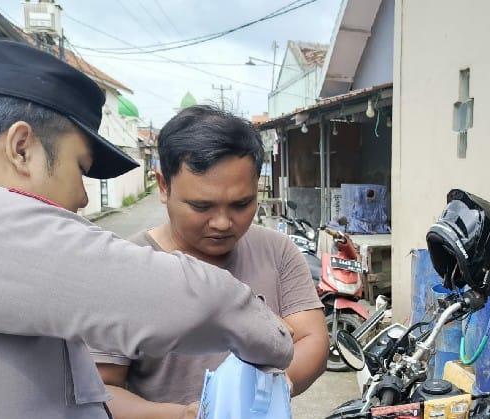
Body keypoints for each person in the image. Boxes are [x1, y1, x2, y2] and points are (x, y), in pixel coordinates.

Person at [0, 40, 292, 419]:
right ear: (21, 149)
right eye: (80, 168)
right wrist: (272, 339)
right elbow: (189, 302)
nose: (82, 198)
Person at [94, 106, 328, 418]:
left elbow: (313, 339)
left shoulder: (277, 251)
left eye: (241, 204)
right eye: (201, 206)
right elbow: (102, 389)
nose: (222, 223)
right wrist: (188, 415)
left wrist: (268, 389)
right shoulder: (124, 268)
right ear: (163, 186)